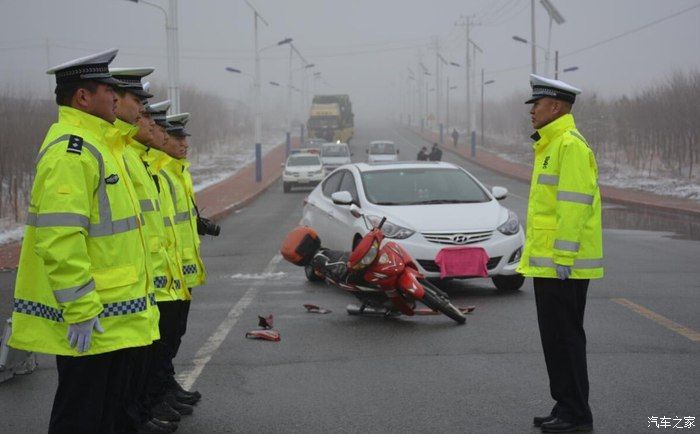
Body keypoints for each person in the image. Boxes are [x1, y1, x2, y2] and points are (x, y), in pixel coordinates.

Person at [9, 48, 157, 434]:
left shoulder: (102, 146)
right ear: (83, 97)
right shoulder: (71, 152)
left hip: (112, 318)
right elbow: (61, 239)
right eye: (107, 89)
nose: (115, 95)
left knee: (106, 416)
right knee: (81, 418)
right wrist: (80, 309)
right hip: (92, 319)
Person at [517, 74, 603, 433]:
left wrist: (564, 259)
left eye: (536, 105)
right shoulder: (551, 145)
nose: (532, 111)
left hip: (562, 266)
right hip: (549, 265)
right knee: (554, 339)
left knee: (565, 338)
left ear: (555, 107)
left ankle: (576, 413)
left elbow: (574, 206)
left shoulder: (569, 146)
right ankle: (564, 404)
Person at [110, 68, 183, 434]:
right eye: (144, 115)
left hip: (152, 281)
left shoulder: (143, 163)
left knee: (148, 358)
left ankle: (148, 405)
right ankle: (143, 409)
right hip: (120, 291)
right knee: (100, 389)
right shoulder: (103, 155)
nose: (156, 130)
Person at [141, 101, 201, 425]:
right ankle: (153, 400)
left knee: (171, 337)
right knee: (157, 344)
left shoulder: (175, 173)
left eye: (182, 138)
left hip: (176, 270)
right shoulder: (157, 171)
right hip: (158, 275)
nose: (183, 143)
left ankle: (164, 390)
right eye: (175, 137)